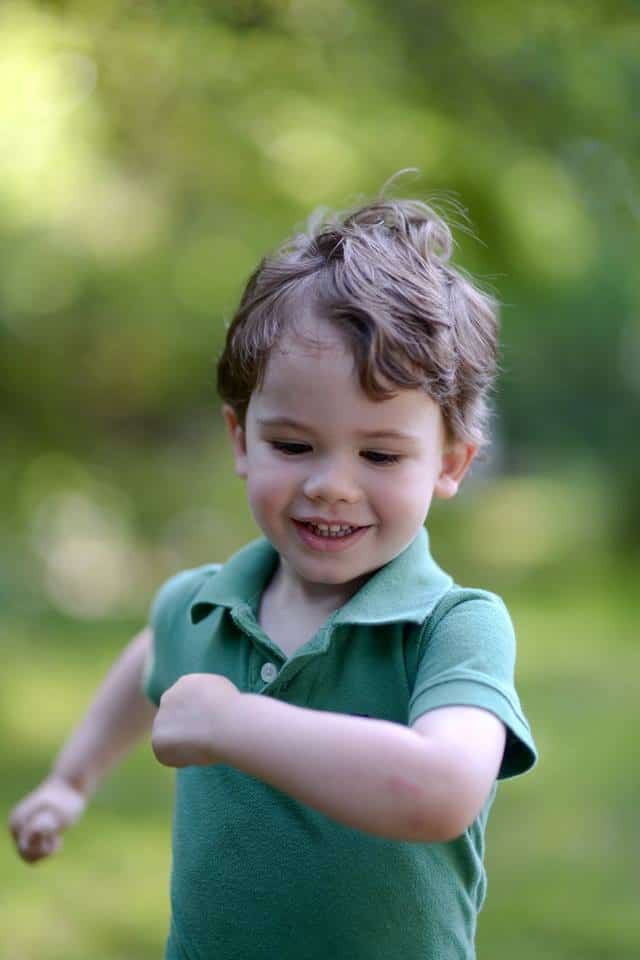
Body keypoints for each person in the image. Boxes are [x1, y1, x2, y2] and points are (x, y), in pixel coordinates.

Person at [9, 183, 537, 960]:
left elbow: (442, 792)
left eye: (381, 455)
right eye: (294, 445)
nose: (331, 484)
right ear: (241, 438)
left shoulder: (455, 627)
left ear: (451, 463)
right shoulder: (202, 606)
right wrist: (72, 777)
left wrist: (234, 723)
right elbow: (152, 660)